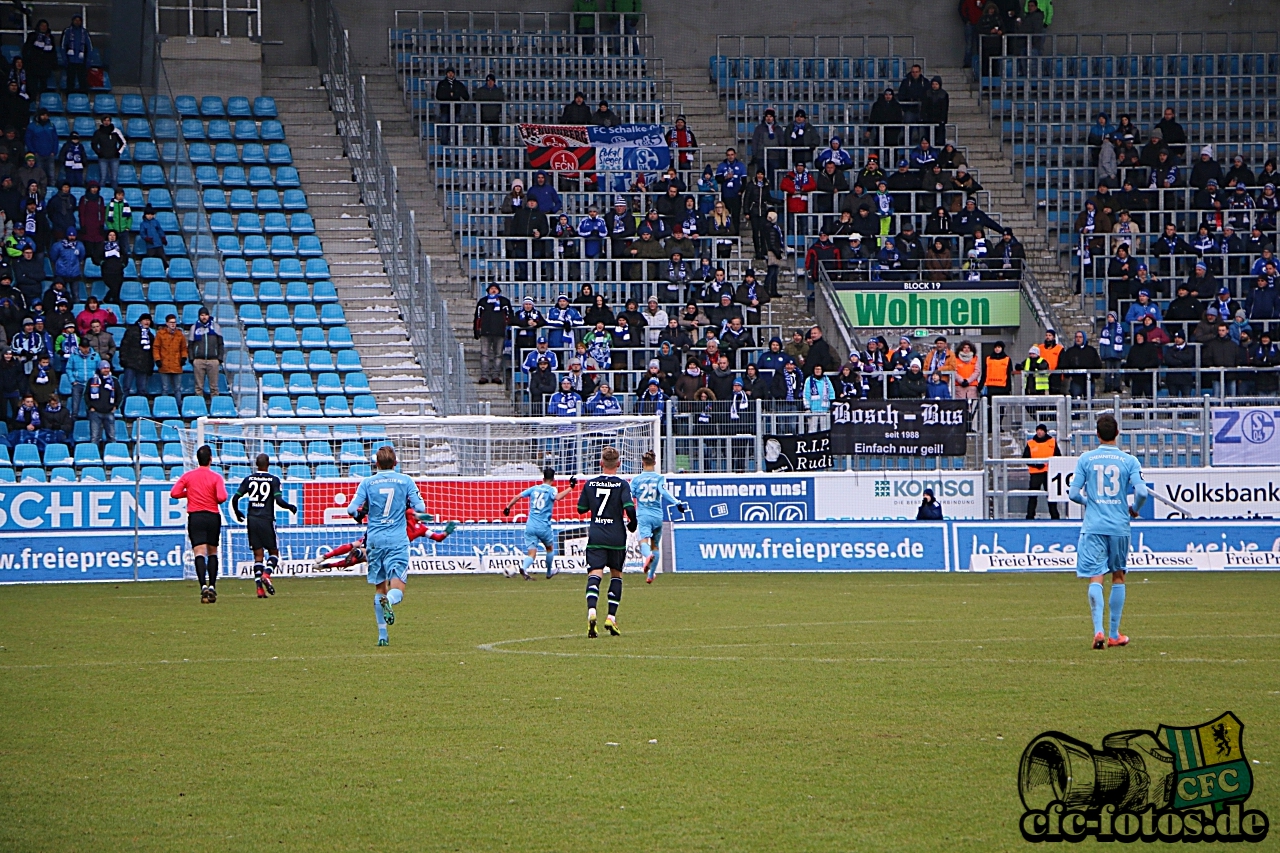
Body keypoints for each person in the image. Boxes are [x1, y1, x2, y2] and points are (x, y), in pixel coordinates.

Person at [1069, 414, 1148, 650]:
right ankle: (1114, 634)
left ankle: (1098, 631)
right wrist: (1134, 509)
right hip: (1119, 526)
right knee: (1118, 576)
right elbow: (1142, 492)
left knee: (1096, 576)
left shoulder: (1086, 459)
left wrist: (1089, 502)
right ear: (1117, 433)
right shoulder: (1129, 460)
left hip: (1094, 526)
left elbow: (1073, 494)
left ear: (1096, 434)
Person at [346, 446, 428, 646]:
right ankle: (389, 602)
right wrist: (407, 505)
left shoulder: (367, 482)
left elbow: (350, 509)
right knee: (397, 587)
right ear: (396, 463)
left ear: (376, 464)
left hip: (374, 539)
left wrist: (360, 513)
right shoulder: (405, 480)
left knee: (379, 587)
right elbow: (421, 508)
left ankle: (383, 636)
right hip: (397, 540)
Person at [577, 445, 636, 638]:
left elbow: (580, 508)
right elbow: (629, 507)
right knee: (616, 575)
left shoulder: (590, 484)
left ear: (601, 463)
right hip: (617, 537)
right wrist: (633, 524)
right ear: (618, 464)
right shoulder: (622, 484)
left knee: (595, 573)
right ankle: (611, 617)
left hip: (597, 536)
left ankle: (592, 611)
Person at [231, 453, 299, 598]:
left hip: (252, 519)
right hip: (266, 519)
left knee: (258, 555)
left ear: (256, 464)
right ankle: (267, 574)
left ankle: (259, 589)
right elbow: (279, 501)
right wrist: (290, 507)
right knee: (274, 553)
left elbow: (235, 497)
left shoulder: (249, 479)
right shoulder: (273, 480)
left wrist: (237, 513)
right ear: (268, 464)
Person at [171, 445, 229, 604]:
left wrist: (189, 493)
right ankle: (213, 585)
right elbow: (222, 497)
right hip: (212, 516)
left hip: (195, 517)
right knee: (212, 552)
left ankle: (203, 585)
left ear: (198, 460)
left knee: (199, 552)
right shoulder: (216, 477)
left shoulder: (188, 476)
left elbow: (174, 493)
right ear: (211, 459)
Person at [501, 468, 578, 580]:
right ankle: (548, 573)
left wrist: (508, 507)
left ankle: (524, 567)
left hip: (530, 526)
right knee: (549, 548)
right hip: (543, 527)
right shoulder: (552, 490)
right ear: (553, 479)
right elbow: (558, 497)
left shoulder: (534, 488)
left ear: (543, 479)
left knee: (532, 553)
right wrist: (571, 487)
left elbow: (517, 496)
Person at [630, 450, 687, 582]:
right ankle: (651, 575)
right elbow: (664, 492)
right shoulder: (659, 478)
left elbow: (629, 496)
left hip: (643, 515)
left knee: (643, 541)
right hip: (657, 516)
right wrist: (677, 503)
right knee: (655, 545)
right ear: (655, 463)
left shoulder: (636, 480)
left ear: (642, 463)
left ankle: (648, 556)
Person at [474, 283, 513, 385]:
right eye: (492, 288)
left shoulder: (504, 302)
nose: (493, 290)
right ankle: (484, 375)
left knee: (498, 355)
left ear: (499, 291)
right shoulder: (482, 302)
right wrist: (477, 330)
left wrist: (507, 331)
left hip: (500, 333)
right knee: (484, 354)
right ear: (488, 290)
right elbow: (477, 317)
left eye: (495, 288)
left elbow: (510, 317)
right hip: (485, 332)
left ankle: (496, 375)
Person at [1023, 423, 1061, 520]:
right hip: (1035, 473)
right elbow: (1025, 458)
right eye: (1038, 430)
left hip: (1049, 473)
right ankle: (1030, 516)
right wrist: (1036, 464)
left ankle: (1055, 516)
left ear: (1045, 431)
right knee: (1032, 496)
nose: (1039, 432)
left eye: (1041, 430)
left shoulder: (1052, 442)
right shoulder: (1030, 443)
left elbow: (1058, 456)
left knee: (1051, 495)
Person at [189, 307, 224, 401]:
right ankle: (199, 406)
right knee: (198, 387)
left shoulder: (216, 327)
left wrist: (219, 358)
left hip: (213, 360)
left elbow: (221, 344)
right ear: (199, 316)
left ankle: (215, 408)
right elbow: (190, 345)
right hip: (199, 360)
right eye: (202, 315)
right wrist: (192, 359)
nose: (204, 317)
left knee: (214, 387)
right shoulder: (194, 327)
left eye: (205, 315)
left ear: (209, 315)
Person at [118, 312, 155, 399]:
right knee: (126, 387)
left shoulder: (150, 336)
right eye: (145, 320)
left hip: (143, 365)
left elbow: (151, 353)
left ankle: (140, 408)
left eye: (148, 320)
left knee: (142, 390)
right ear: (140, 321)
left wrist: (150, 366)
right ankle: (122, 407)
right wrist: (124, 360)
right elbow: (124, 346)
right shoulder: (131, 331)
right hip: (130, 364)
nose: (147, 322)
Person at [154, 313, 187, 407]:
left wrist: (183, 358)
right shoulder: (160, 334)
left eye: (174, 322)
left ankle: (178, 407)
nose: (173, 324)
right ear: (167, 323)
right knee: (165, 388)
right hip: (164, 364)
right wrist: (157, 359)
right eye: (171, 322)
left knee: (177, 388)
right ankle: (164, 407)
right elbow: (156, 348)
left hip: (177, 364)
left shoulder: (180, 334)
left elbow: (184, 348)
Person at [434, 67, 469, 146]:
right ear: (446, 74)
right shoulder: (441, 84)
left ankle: (456, 153)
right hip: (445, 111)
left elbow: (466, 96)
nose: (450, 74)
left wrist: (454, 95)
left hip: (456, 111)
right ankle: (444, 153)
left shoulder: (459, 84)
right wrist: (450, 96)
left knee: (456, 131)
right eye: (449, 72)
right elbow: (438, 96)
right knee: (444, 132)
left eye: (452, 72)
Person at [91, 117, 126, 191]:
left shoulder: (116, 131)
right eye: (105, 120)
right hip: (103, 158)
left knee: (114, 178)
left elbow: (123, 143)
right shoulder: (98, 132)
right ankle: (100, 196)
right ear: (102, 121)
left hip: (114, 158)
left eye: (108, 120)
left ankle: (116, 196)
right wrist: (99, 153)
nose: (106, 122)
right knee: (103, 178)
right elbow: (93, 144)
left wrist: (118, 152)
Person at [61, 15, 92, 94]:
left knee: (83, 80)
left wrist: (88, 59)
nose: (77, 22)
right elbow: (63, 46)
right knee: (70, 80)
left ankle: (84, 96)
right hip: (70, 60)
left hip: (81, 61)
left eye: (79, 20)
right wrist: (64, 59)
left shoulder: (84, 32)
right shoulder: (67, 31)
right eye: (75, 20)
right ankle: (70, 97)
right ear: (72, 21)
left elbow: (89, 46)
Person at [472, 74, 504, 147]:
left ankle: (497, 155)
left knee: (495, 138)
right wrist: (481, 110)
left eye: (491, 81)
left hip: (495, 117)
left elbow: (502, 104)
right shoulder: (480, 91)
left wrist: (497, 111)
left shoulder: (499, 91)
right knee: (481, 137)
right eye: (488, 81)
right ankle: (478, 152)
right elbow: (475, 102)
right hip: (483, 117)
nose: (490, 82)